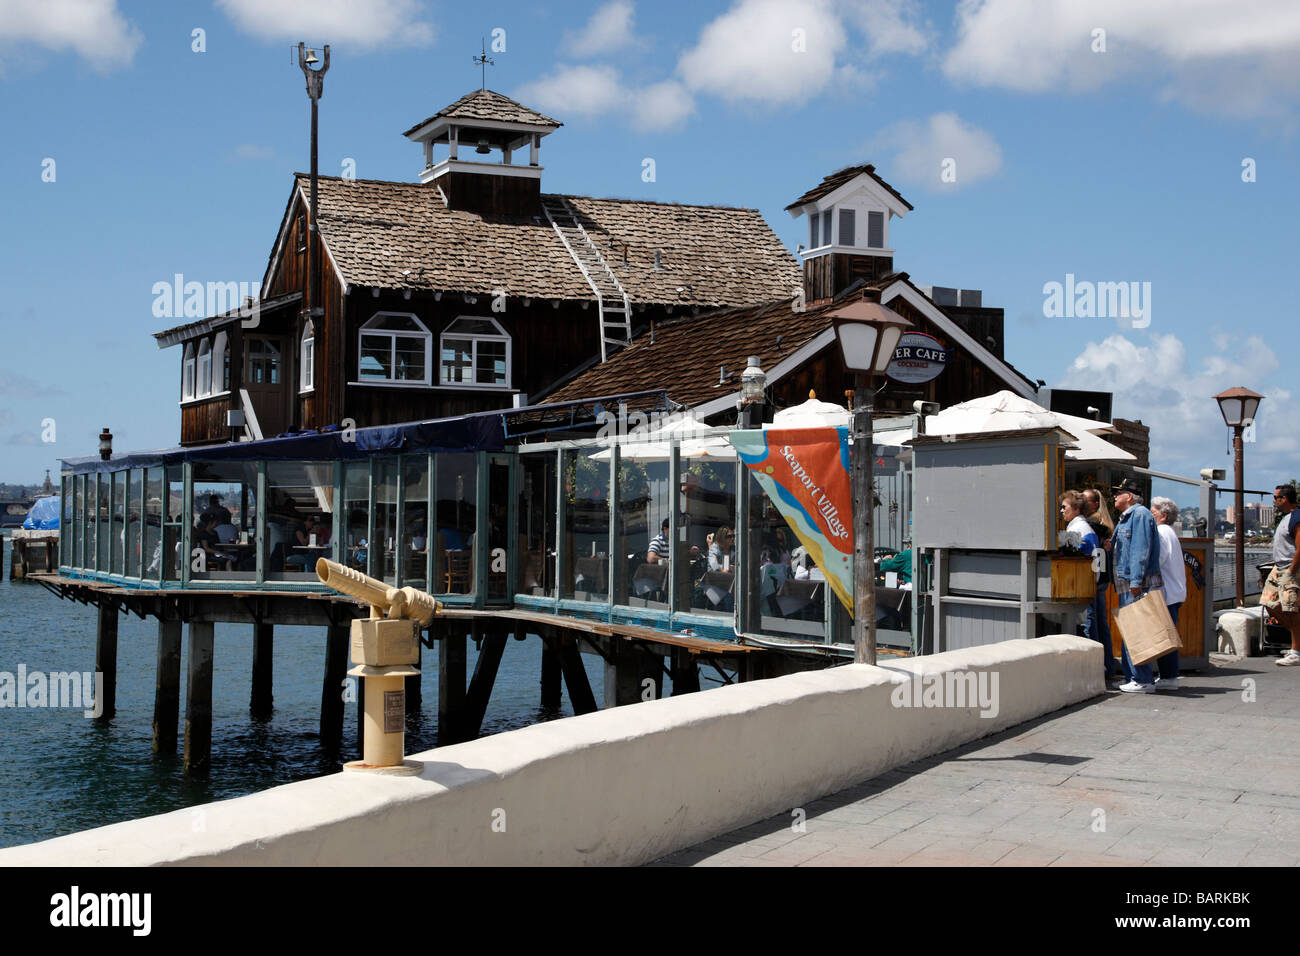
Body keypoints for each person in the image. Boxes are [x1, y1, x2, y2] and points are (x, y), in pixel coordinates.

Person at [1112, 478, 1163, 693]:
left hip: (1134, 583)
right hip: (1127, 582)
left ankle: (1142, 679)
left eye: (1119, 492)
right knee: (1130, 628)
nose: (1115, 496)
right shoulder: (1129, 517)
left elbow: (1139, 550)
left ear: (1129, 496)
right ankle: (1133, 676)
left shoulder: (1139, 515)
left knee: (1137, 630)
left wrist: (1135, 581)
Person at [1082, 488, 1119, 678]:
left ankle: (1097, 668)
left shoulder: (1092, 523)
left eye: (1085, 500)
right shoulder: (1105, 521)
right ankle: (1109, 666)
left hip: (1095, 577)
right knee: (1101, 623)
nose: (1082, 502)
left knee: (1092, 622)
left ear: (1095, 503)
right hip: (1103, 578)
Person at [1150, 497, 1185, 690]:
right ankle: (1168, 675)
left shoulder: (1161, 533)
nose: (1150, 516)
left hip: (1167, 593)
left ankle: (1169, 676)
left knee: (1166, 637)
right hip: (1174, 591)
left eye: (1153, 513)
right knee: (1168, 634)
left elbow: (1159, 560)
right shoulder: (1170, 532)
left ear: (1163, 516)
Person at [1265, 484, 1300, 666]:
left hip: (1289, 570)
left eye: (1276, 497)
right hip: (1278, 569)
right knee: (1270, 604)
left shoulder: (1296, 518)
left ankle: (1296, 652)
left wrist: (1292, 571)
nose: (1274, 500)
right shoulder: (1286, 518)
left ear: (1284, 499)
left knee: (1291, 610)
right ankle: (1297, 643)